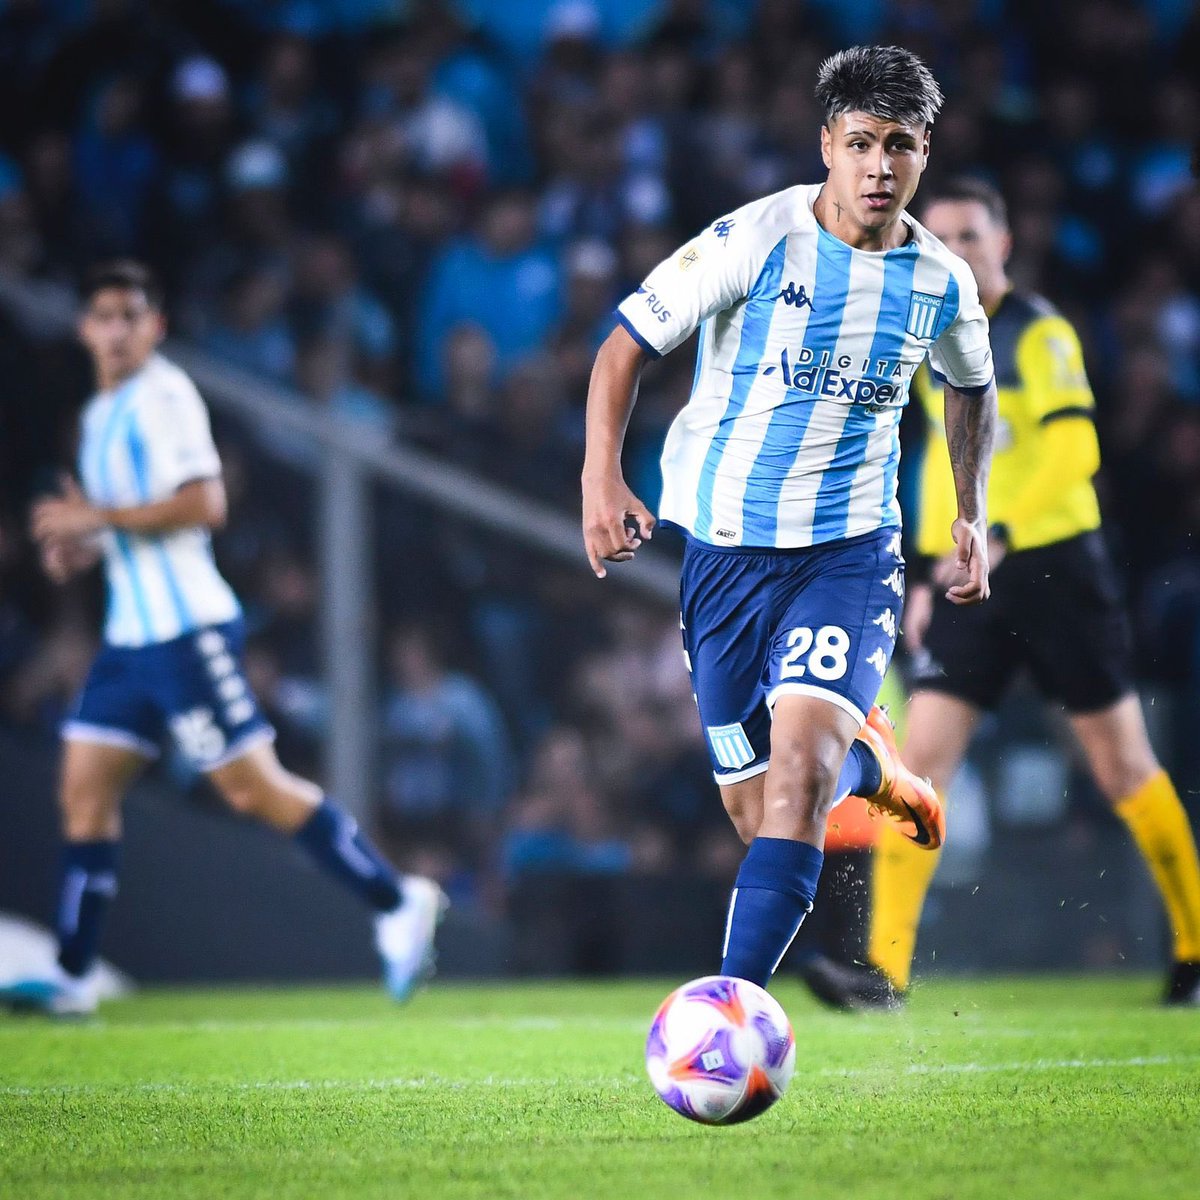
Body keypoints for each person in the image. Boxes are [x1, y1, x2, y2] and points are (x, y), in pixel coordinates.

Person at [581, 46, 998, 991]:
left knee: (798, 777)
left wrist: (970, 513)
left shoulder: (940, 282)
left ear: (924, 152)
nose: (880, 167)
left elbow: (971, 387)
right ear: (827, 145)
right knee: (755, 809)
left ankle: (731, 1008)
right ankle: (879, 778)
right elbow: (623, 345)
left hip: (848, 553)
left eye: (899, 146)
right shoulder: (754, 239)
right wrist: (600, 480)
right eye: (860, 144)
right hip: (723, 557)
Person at [0, 260, 446, 1016]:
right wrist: (85, 545)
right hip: (130, 638)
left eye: (130, 315)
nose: (116, 329)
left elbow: (204, 503)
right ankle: (74, 975)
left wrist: (97, 522)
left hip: (185, 630)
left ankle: (396, 899)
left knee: (250, 788)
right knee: (84, 790)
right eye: (102, 315)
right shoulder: (103, 417)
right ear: (83, 328)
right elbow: (135, 525)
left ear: (156, 326)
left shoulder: (164, 395)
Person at [852, 178, 1200, 1009]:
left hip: (1057, 569)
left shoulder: (1038, 334)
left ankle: (1194, 948)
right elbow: (941, 465)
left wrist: (997, 529)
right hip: (973, 575)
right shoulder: (930, 338)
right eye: (941, 238)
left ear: (1004, 244)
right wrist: (933, 569)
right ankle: (883, 973)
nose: (959, 251)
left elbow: (1074, 450)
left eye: (973, 235)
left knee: (1122, 766)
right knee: (919, 769)